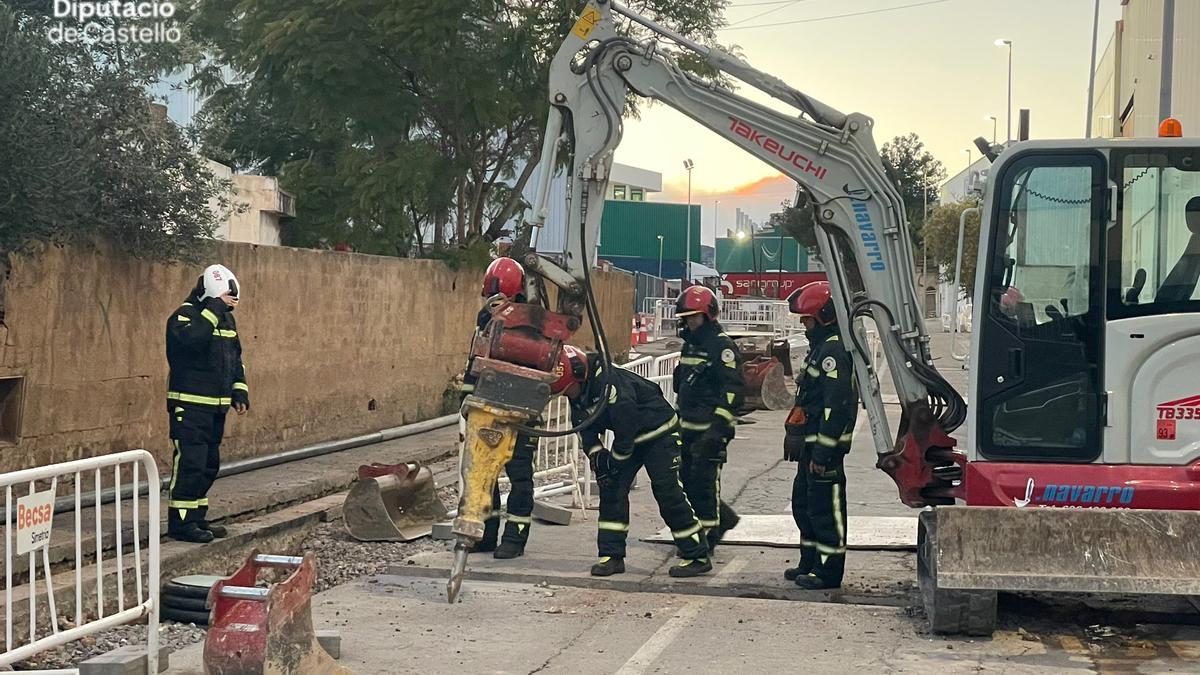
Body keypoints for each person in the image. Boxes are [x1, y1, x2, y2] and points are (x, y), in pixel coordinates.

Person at [555, 345, 712, 578]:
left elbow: (625, 428)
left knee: (667, 491)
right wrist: (598, 458)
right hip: (630, 438)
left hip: (658, 433)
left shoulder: (610, 386)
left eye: (570, 390)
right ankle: (612, 556)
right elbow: (583, 428)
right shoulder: (578, 392)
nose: (571, 396)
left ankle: (696, 554)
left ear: (579, 375)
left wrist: (615, 461)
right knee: (611, 489)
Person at [459, 257, 538, 559]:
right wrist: (465, 401)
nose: (493, 305)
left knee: (520, 476)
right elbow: (474, 366)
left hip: (520, 411)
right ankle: (486, 535)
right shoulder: (484, 321)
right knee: (483, 473)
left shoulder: (532, 323)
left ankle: (515, 540)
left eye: (499, 299)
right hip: (489, 408)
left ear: (515, 294)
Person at [165, 264, 249, 543]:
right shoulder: (184, 317)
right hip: (189, 406)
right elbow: (192, 342)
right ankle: (181, 524)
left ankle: (197, 518)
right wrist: (213, 310)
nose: (228, 308)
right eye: (224, 301)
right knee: (191, 462)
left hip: (216, 407)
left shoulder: (224, 319)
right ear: (212, 295)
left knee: (209, 464)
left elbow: (235, 358)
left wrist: (239, 391)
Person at [783, 281, 857, 589]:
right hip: (810, 447)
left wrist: (823, 451)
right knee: (805, 504)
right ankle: (810, 561)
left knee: (826, 510)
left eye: (808, 320)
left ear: (824, 316)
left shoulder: (834, 352)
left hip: (823, 450)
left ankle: (828, 571)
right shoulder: (820, 349)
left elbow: (835, 406)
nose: (804, 326)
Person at [672, 285, 743, 552]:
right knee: (687, 481)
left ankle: (706, 539)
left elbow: (733, 392)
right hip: (687, 427)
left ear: (708, 316)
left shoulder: (722, 347)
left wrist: (718, 431)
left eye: (694, 317)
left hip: (710, 430)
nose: (690, 323)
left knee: (703, 484)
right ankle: (723, 520)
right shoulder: (690, 346)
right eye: (686, 318)